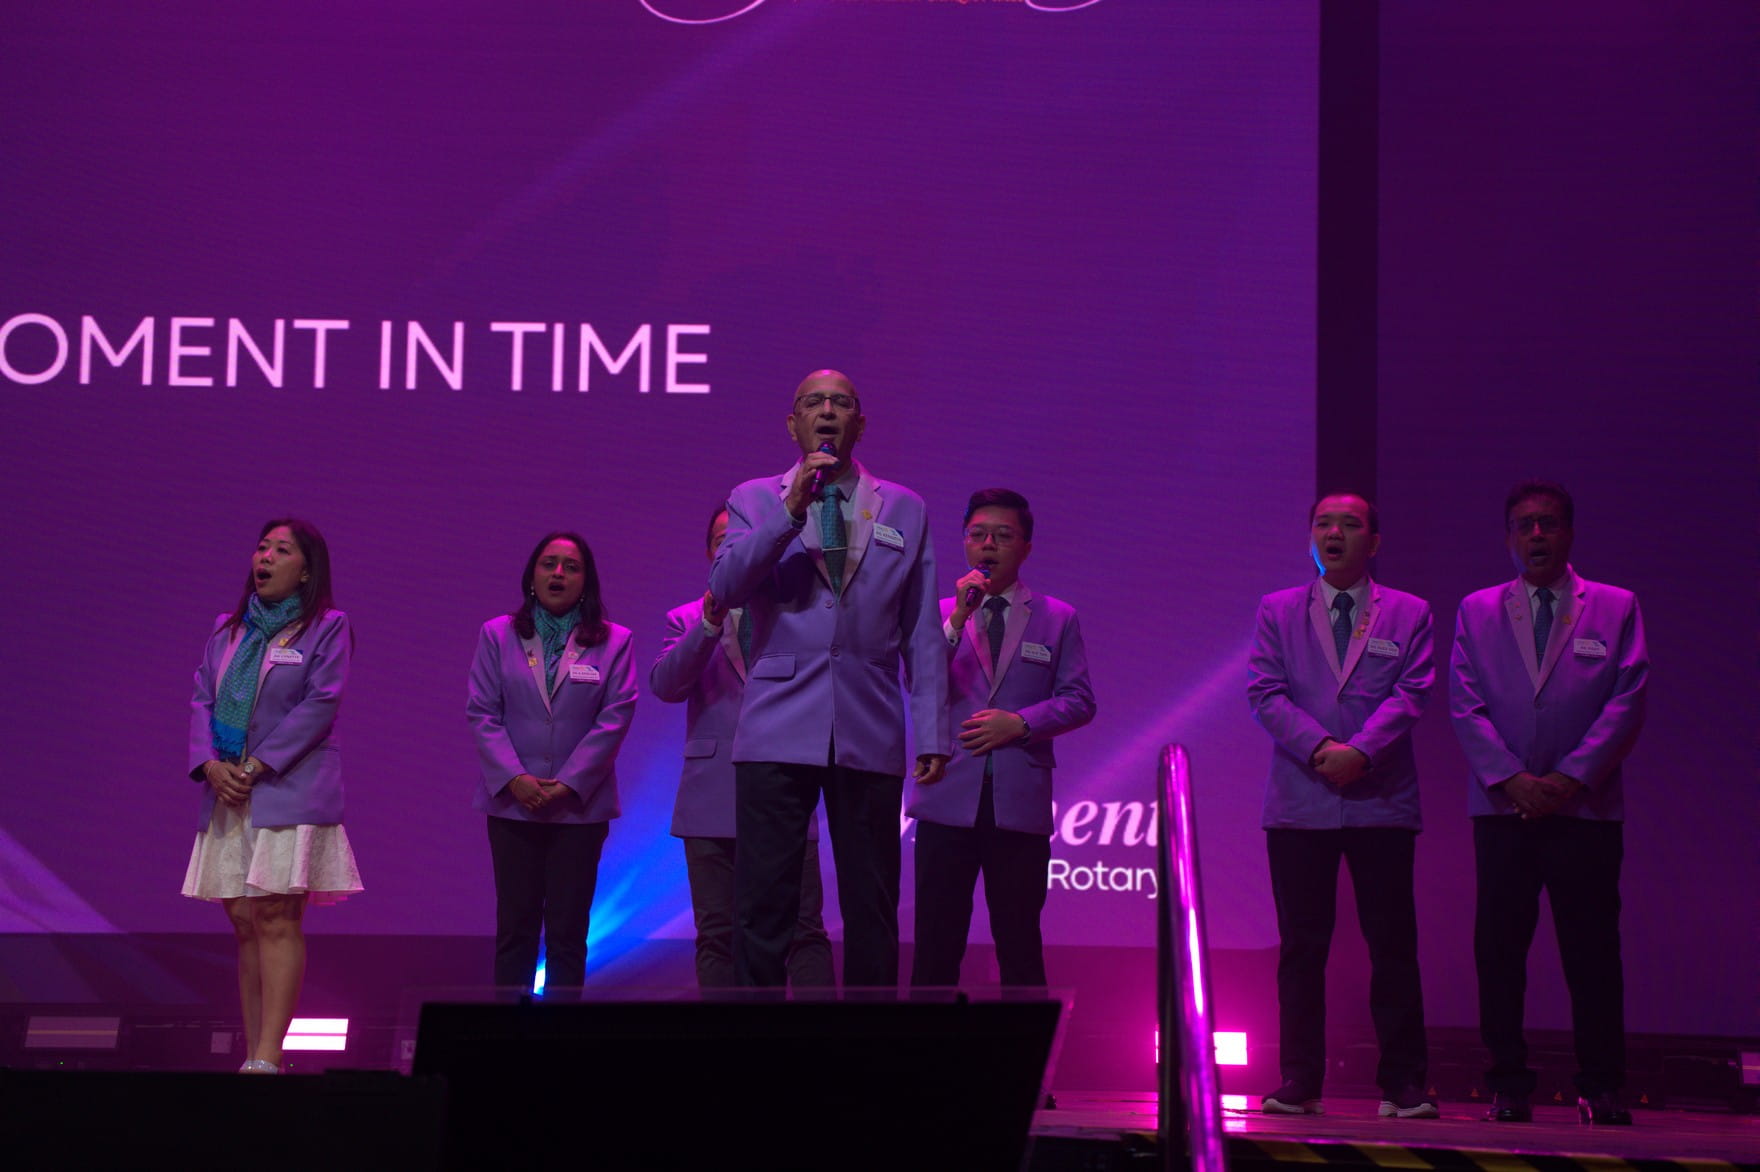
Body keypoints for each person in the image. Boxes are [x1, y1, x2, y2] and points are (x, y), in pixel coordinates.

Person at [709, 369, 950, 989]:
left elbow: (922, 627)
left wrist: (931, 731)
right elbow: (726, 586)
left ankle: (866, 1044)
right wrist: (790, 511)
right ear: (793, 423)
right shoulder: (754, 498)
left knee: (872, 905)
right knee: (764, 905)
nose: (827, 411)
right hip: (776, 724)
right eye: (813, 402)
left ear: (859, 424)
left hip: (869, 722)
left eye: (841, 403)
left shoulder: (905, 506)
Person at [1450, 480, 1647, 1126]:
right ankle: (1508, 1084)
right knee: (1500, 951)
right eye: (1524, 524)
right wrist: (1513, 780)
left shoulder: (1616, 606)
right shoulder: (1477, 609)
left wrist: (1567, 779)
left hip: (1585, 810)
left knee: (1592, 952)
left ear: (1569, 533)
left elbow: (1626, 702)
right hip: (1503, 809)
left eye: (1549, 523)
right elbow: (1466, 704)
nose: (1537, 534)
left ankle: (1602, 1085)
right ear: (1509, 537)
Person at [1246, 492, 1437, 1118]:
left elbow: (1412, 693)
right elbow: (1266, 692)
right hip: (1301, 802)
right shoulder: (1278, 609)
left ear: (1373, 542)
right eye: (1323, 524)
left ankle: (1403, 1083)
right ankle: (1300, 1079)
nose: (1334, 533)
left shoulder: (1409, 612)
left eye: (1350, 525)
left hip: (1381, 799)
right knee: (1302, 947)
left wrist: (1361, 752)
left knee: (1392, 944)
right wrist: (1322, 748)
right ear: (1311, 538)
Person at [183, 518, 362, 1074]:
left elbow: (320, 703)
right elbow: (201, 699)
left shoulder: (327, 627)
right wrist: (210, 765)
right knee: (244, 920)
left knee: (277, 916)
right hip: (228, 790)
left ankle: (268, 1057)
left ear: (306, 570)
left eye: (282, 550)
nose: (265, 557)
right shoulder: (227, 630)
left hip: (289, 787)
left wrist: (257, 764)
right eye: (262, 547)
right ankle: (254, 1052)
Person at [907, 488, 1095, 989]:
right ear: (965, 542)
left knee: (1019, 941)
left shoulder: (1057, 616)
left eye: (1003, 535)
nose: (988, 544)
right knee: (936, 942)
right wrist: (957, 620)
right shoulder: (937, 613)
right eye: (978, 534)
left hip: (1019, 798)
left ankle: (1025, 1040)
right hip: (946, 794)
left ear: (1026, 547)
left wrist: (1022, 722)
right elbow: (918, 682)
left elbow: (1079, 699)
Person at [651, 507, 834, 989]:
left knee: (803, 931)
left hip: (785, 791)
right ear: (710, 553)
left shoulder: (800, 617)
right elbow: (666, 686)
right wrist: (708, 627)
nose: (734, 547)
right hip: (710, 797)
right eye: (722, 540)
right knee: (717, 934)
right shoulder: (686, 618)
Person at [466, 531, 637, 993]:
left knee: (567, 934)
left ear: (586, 582)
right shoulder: (497, 634)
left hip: (579, 807)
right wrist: (515, 778)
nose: (558, 573)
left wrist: (568, 784)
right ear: (532, 576)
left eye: (571, 566)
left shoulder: (615, 641)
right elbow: (483, 712)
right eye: (549, 564)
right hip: (512, 804)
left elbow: (615, 716)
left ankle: (560, 1033)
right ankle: (509, 1031)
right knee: (515, 929)